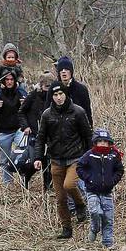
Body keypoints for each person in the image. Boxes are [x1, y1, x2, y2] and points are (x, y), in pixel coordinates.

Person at [32, 83, 92, 239]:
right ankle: (66, 228)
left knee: (69, 185)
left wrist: (90, 157)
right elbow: (40, 138)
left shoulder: (78, 112)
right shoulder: (47, 115)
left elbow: (87, 135)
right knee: (60, 198)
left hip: (75, 157)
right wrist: (38, 157)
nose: (58, 98)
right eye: (55, 95)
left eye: (61, 94)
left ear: (66, 94)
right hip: (56, 159)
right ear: (51, 97)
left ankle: (80, 205)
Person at [76, 127, 124, 246]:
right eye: (100, 141)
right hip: (92, 191)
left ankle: (107, 242)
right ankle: (94, 228)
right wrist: (89, 178)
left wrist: (112, 181)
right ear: (95, 142)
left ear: (109, 142)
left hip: (107, 192)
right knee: (95, 211)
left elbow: (119, 170)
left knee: (108, 218)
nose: (103, 143)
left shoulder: (113, 155)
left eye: (105, 141)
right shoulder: (90, 155)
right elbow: (79, 167)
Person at [0, 70, 29, 184]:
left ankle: (24, 181)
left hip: (19, 130)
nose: (9, 82)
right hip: (3, 132)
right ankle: (8, 184)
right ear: (3, 81)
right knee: (4, 160)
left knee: (25, 153)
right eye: (7, 79)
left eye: (11, 79)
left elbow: (30, 110)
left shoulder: (20, 92)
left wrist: (25, 104)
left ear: (15, 80)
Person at [21, 70, 57, 195]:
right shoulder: (32, 96)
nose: (48, 89)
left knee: (49, 162)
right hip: (35, 134)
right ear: (41, 85)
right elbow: (21, 112)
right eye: (46, 86)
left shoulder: (55, 97)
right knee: (35, 162)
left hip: (50, 135)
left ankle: (47, 187)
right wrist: (25, 126)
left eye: (50, 86)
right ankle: (25, 175)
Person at [55, 55, 93, 124]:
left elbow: (87, 113)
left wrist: (89, 128)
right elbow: (47, 113)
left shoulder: (81, 89)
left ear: (71, 72)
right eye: (61, 69)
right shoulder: (53, 89)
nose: (63, 71)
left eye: (66, 69)